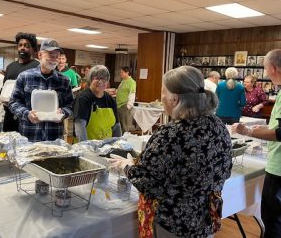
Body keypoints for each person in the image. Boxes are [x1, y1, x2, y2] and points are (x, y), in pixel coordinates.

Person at [109, 66, 232, 238]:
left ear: (174, 98)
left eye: (163, 92)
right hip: (204, 217)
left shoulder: (171, 134)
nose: (161, 98)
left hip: (173, 222)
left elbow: (147, 181)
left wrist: (126, 166)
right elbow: (225, 170)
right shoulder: (217, 125)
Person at [232, 49, 281, 238]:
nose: (266, 73)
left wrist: (249, 131)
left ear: (274, 68)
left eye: (266, 69)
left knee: (273, 219)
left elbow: (279, 132)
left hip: (278, 169)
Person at [8, 39, 73, 142]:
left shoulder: (63, 81)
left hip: (54, 136)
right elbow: (13, 103)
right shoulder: (25, 77)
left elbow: (70, 105)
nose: (54, 59)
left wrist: (63, 113)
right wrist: (27, 114)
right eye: (51, 55)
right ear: (40, 55)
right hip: (29, 135)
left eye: (57, 56)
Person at [73, 65, 122, 141]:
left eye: (104, 79)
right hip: (86, 147)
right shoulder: (83, 98)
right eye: (97, 78)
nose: (101, 82)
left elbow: (116, 126)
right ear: (90, 80)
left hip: (106, 147)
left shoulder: (110, 100)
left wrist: (118, 145)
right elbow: (80, 128)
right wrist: (86, 148)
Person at [2, 32, 39, 132]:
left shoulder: (37, 67)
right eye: (20, 45)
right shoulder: (10, 67)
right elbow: (4, 88)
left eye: (26, 46)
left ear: (33, 49)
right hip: (9, 114)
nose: (22, 48)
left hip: (28, 116)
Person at [116, 66, 136, 133]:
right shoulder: (123, 81)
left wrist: (129, 105)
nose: (120, 73)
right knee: (120, 126)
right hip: (119, 105)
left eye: (122, 72)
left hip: (124, 106)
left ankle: (124, 141)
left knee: (124, 126)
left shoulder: (131, 82)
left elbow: (132, 94)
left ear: (127, 72)